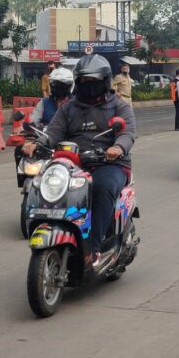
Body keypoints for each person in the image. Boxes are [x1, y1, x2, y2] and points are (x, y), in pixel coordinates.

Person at [22, 53, 136, 269]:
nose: (89, 86)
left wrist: (117, 147)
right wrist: (37, 143)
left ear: (103, 82)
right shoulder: (69, 108)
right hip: (74, 162)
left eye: (93, 82)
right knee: (42, 182)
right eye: (84, 82)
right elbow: (53, 131)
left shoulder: (119, 106)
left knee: (101, 187)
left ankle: (94, 248)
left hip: (109, 163)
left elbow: (127, 133)